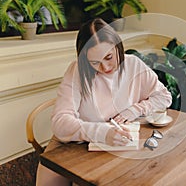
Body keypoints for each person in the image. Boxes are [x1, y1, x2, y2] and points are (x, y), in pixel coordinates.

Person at [36, 18, 172, 185]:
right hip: (78, 146)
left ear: (117, 46)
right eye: (95, 63)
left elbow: (164, 97)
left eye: (109, 57)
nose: (105, 68)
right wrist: (101, 133)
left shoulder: (133, 65)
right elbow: (60, 122)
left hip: (121, 144)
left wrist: (135, 110)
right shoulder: (77, 70)